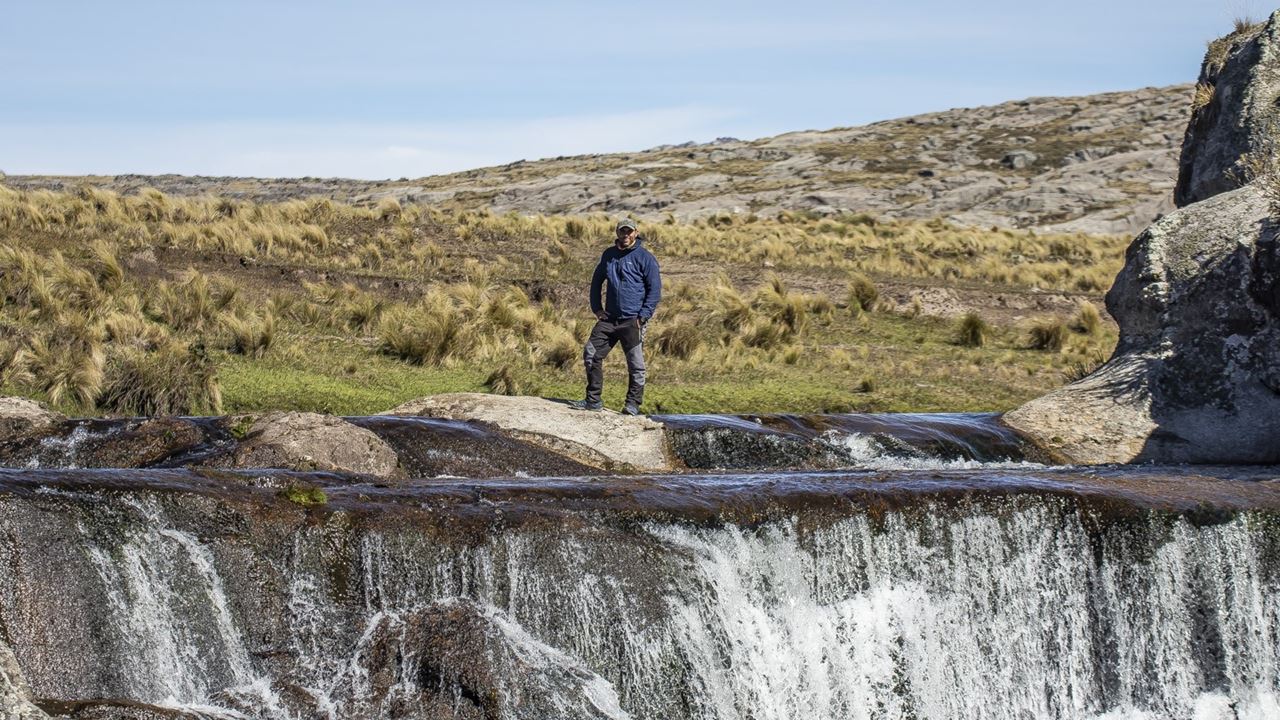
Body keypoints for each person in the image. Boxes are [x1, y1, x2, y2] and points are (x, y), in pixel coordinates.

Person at [570, 218, 662, 414]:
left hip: (633, 320)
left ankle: (632, 404)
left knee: (636, 365)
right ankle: (593, 401)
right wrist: (597, 309)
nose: (626, 235)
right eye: (623, 232)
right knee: (591, 354)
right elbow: (596, 282)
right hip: (609, 319)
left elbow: (655, 290)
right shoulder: (609, 255)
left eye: (629, 232)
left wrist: (643, 316)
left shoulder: (645, 258)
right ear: (617, 233)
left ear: (636, 233)